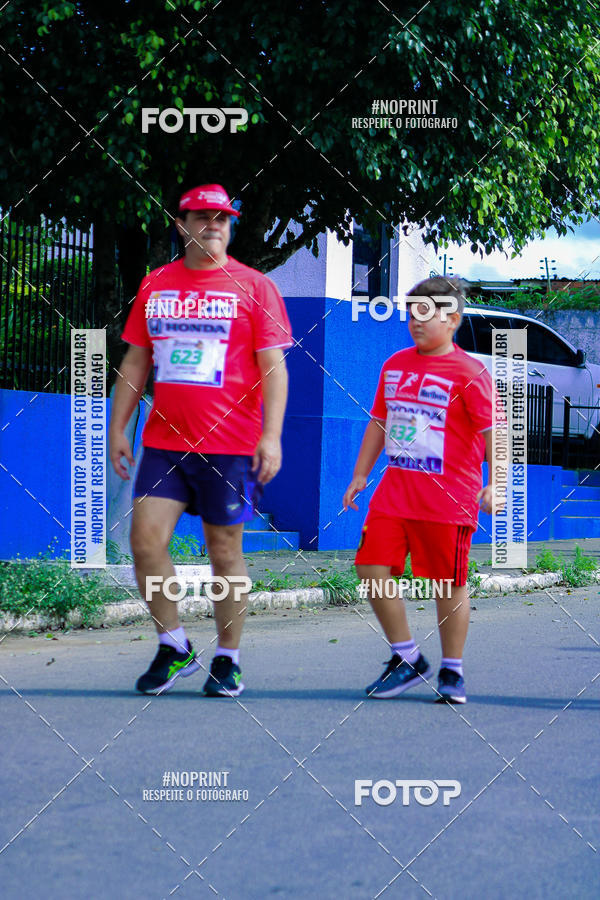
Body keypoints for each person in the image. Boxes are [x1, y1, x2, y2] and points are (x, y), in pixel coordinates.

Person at [109, 184, 293, 697]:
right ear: (181, 222)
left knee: (224, 551)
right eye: (203, 217)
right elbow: (136, 362)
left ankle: (228, 658)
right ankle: (174, 646)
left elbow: (273, 369)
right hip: (166, 442)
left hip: (231, 445)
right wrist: (119, 428)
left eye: (223, 219)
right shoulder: (156, 285)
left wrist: (272, 438)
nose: (214, 225)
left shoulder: (255, 287)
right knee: (144, 542)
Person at [342, 277, 497, 704]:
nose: (416, 320)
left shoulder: (471, 372)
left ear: (453, 319)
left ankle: (452, 671)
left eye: (427, 312)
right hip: (394, 494)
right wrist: (360, 474)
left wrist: (496, 482)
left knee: (447, 583)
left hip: (449, 499)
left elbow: (493, 433)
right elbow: (379, 421)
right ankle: (407, 657)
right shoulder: (394, 365)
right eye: (412, 312)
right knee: (371, 568)